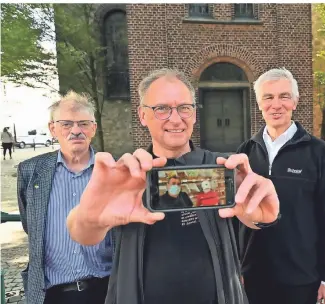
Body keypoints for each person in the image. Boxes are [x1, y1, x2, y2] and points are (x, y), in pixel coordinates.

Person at [66, 68, 280, 304]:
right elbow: (81, 232)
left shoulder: (221, 169)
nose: (176, 119)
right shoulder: (125, 175)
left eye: (184, 108)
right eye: (162, 109)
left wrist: (266, 215)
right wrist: (92, 218)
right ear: (142, 115)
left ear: (195, 114)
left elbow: (252, 216)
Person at [236, 68, 325, 304]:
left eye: (284, 96)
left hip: (302, 277)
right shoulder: (246, 152)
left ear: (295, 101)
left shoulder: (318, 153)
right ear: (259, 103)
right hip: (254, 274)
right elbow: (236, 217)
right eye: (268, 97)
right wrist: (237, 267)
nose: (276, 105)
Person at [17, 91, 113, 304]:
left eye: (83, 124)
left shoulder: (112, 170)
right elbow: (30, 224)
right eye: (66, 124)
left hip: (106, 290)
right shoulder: (31, 171)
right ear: (53, 129)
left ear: (93, 128)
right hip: (52, 294)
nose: (76, 130)